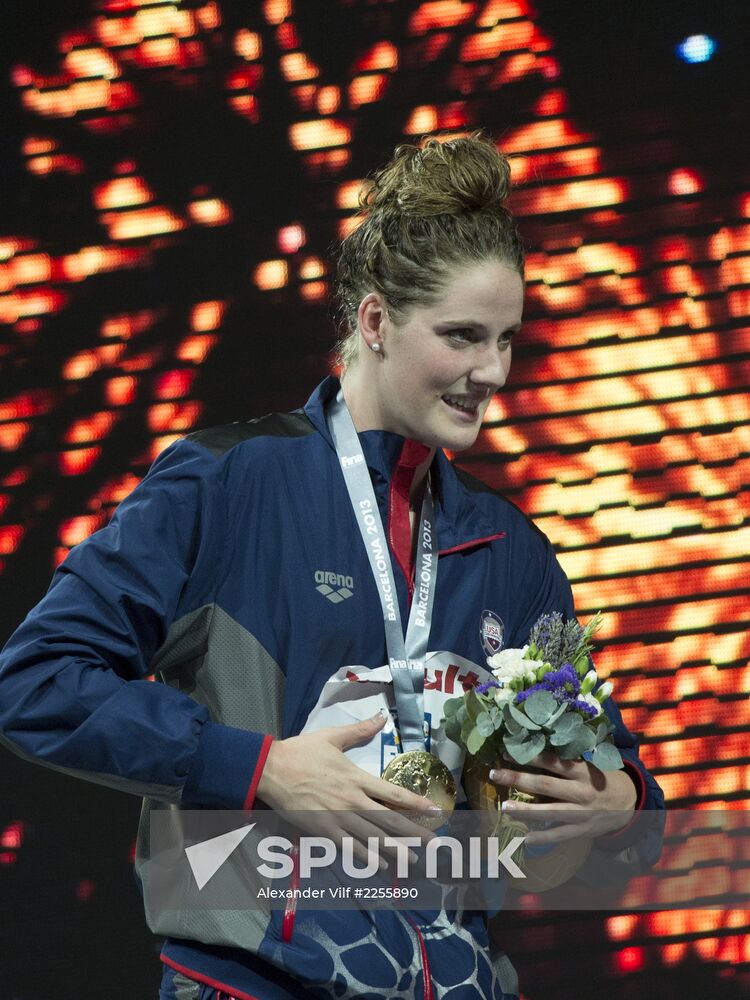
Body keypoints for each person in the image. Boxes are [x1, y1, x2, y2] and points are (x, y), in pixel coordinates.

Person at [0, 132, 664, 1000]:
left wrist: (617, 803)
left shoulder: (513, 553)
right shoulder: (229, 482)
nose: (492, 371)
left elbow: (615, 783)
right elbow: (37, 683)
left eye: (506, 339)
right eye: (462, 336)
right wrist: (260, 767)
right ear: (376, 321)